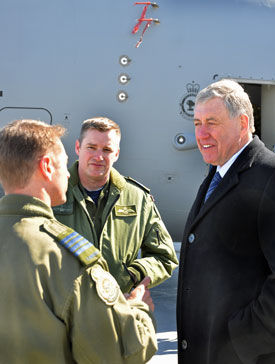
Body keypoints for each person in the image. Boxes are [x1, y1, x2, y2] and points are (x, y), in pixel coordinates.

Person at [0, 119, 157, 363]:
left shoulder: (136, 197)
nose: (68, 173)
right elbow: (118, 353)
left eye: (106, 150)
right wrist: (138, 309)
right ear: (47, 167)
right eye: (64, 165)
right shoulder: (70, 261)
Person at [177, 79, 275, 364]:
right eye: (197, 123)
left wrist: (238, 344)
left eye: (212, 122)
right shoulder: (217, 176)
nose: (202, 133)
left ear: (243, 123)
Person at [53, 117, 178, 293]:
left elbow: (164, 257)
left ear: (117, 154)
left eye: (107, 150)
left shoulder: (137, 198)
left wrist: (134, 274)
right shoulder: (52, 193)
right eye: (91, 147)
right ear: (77, 147)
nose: (98, 156)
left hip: (116, 308)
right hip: (63, 309)